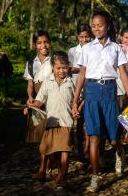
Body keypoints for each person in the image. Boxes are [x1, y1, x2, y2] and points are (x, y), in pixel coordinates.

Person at [72, 11, 128, 193]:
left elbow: (122, 73)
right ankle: (95, 177)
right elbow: (82, 74)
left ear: (107, 26)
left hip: (109, 92)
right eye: (93, 25)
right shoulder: (86, 48)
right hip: (91, 92)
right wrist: (76, 100)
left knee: (114, 138)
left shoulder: (116, 48)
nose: (96, 28)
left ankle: (119, 151)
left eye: (99, 25)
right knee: (93, 137)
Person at [28, 51, 74, 185]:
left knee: (65, 149)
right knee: (52, 151)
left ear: (68, 67)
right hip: (51, 122)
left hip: (66, 121)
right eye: (58, 68)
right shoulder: (47, 82)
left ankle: (63, 176)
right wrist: (31, 106)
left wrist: (78, 108)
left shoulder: (71, 82)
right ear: (52, 67)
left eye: (64, 67)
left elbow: (79, 99)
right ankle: (60, 171)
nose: (61, 71)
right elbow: (39, 101)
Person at [23, 30, 52, 180]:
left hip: (52, 101)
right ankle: (46, 165)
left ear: (50, 43)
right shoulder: (30, 63)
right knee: (41, 137)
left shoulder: (54, 61)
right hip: (37, 104)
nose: (43, 45)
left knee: (49, 135)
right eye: (39, 43)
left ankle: (43, 168)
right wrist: (30, 97)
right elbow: (30, 83)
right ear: (35, 45)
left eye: (46, 42)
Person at [68, 24, 92, 161]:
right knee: (78, 121)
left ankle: (88, 147)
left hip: (89, 89)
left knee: (88, 120)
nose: (84, 40)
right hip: (75, 90)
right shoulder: (71, 51)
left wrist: (78, 69)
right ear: (78, 37)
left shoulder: (94, 50)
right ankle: (79, 149)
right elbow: (67, 69)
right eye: (81, 37)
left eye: (87, 37)